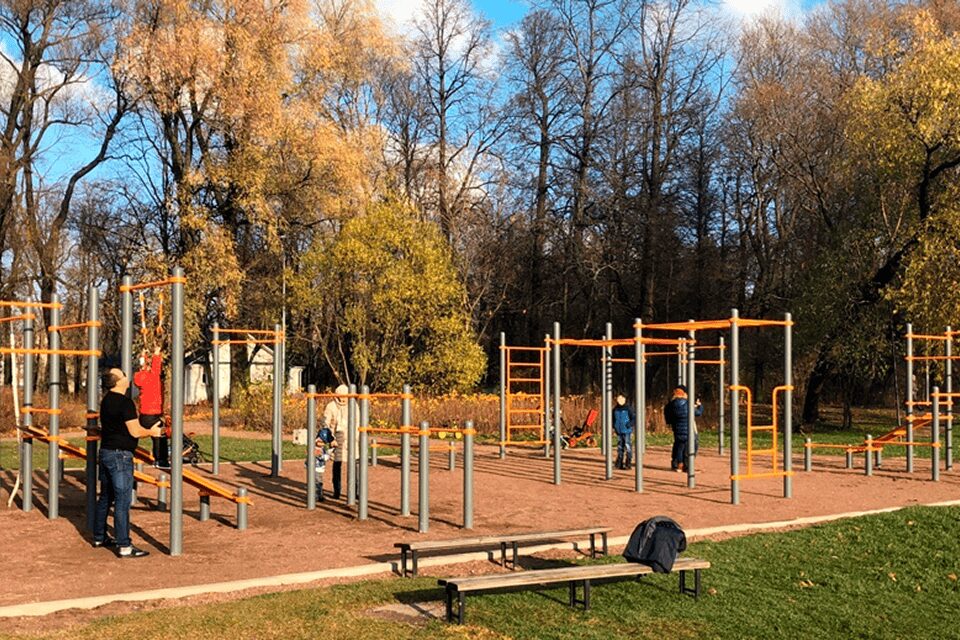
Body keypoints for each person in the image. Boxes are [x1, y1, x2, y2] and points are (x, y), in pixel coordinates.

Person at [93, 367, 164, 558]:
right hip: (120, 456)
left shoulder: (106, 400)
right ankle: (124, 545)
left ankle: (99, 536)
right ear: (118, 381)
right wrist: (153, 432)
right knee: (122, 501)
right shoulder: (125, 403)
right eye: (123, 375)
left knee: (106, 497)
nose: (127, 377)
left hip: (106, 452)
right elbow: (135, 431)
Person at [133, 345, 167, 469]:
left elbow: (143, 367)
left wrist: (144, 356)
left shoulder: (140, 378)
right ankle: (161, 460)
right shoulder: (153, 377)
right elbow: (156, 367)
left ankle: (159, 459)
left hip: (144, 415)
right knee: (160, 435)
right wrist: (156, 353)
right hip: (152, 414)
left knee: (157, 434)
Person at [324, 384, 358, 501]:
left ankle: (355, 491)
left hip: (351, 438)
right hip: (336, 438)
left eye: (345, 396)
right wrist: (330, 438)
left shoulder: (353, 405)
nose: (343, 399)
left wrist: (355, 437)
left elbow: (358, 422)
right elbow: (326, 423)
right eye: (341, 396)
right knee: (337, 464)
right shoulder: (331, 406)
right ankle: (337, 490)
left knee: (353, 465)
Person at [664, 385, 702, 473]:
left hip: (677, 428)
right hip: (688, 428)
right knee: (691, 447)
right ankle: (687, 466)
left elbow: (668, 417)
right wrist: (699, 406)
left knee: (679, 446)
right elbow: (698, 413)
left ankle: (678, 464)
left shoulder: (670, 404)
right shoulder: (688, 404)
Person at [613, 394, 635, 470]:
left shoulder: (628, 409)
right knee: (620, 447)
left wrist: (629, 424)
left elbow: (634, 418)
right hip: (619, 431)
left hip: (626, 431)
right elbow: (613, 419)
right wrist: (614, 426)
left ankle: (628, 463)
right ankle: (619, 463)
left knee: (627, 446)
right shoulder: (615, 409)